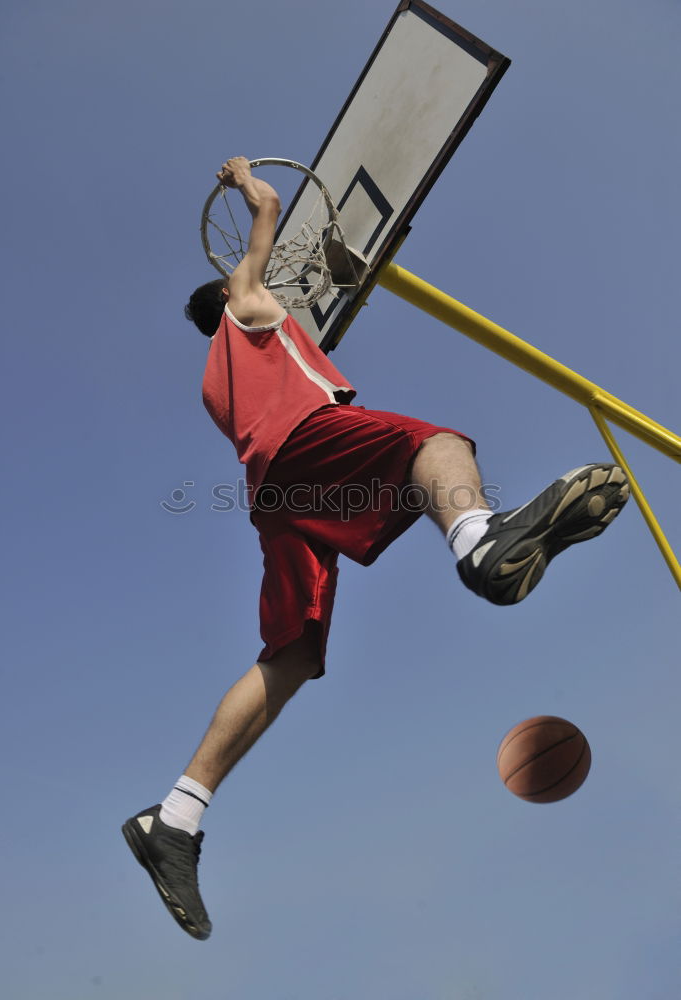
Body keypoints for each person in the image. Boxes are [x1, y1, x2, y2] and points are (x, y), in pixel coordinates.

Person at [122, 157, 630, 940]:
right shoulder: (248, 303)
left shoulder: (214, 381)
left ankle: (177, 816)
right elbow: (268, 205)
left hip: (275, 496)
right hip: (306, 445)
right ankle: (478, 541)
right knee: (433, 444)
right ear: (229, 292)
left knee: (289, 656)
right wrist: (242, 178)